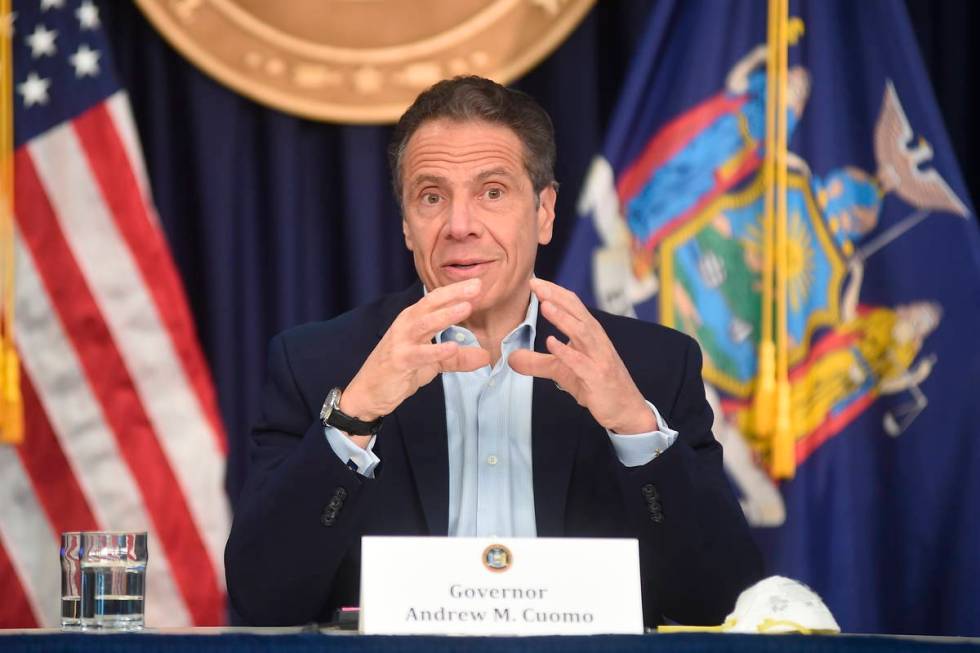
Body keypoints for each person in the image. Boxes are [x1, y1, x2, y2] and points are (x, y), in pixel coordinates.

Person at [225, 76, 764, 627]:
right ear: (408, 226)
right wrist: (353, 418)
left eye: (493, 192)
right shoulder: (320, 364)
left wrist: (633, 426)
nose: (460, 226)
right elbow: (261, 600)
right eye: (432, 197)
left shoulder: (652, 368)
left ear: (545, 212)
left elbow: (723, 602)